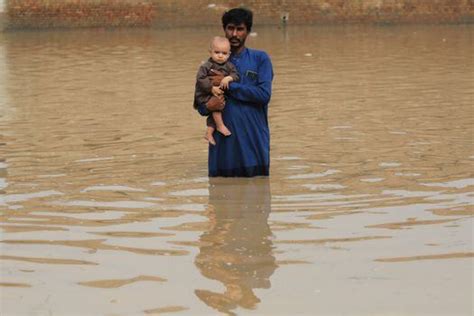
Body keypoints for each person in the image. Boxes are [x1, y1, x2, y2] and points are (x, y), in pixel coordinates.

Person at [194, 7, 274, 177]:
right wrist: (209, 105)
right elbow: (200, 104)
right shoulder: (211, 64)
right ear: (224, 29)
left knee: (257, 193)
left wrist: (229, 86)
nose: (235, 34)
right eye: (230, 28)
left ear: (248, 31)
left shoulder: (260, 59)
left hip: (254, 143)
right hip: (223, 148)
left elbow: (264, 95)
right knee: (220, 194)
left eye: (240, 29)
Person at [194, 36, 240, 146]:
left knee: (217, 110)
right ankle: (220, 126)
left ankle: (209, 133)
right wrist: (211, 88)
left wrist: (228, 78)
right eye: (217, 52)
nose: (220, 56)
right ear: (210, 52)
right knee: (217, 105)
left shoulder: (229, 66)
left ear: (229, 54)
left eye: (224, 53)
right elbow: (200, 79)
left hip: (218, 94)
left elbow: (236, 75)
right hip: (205, 94)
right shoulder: (206, 66)